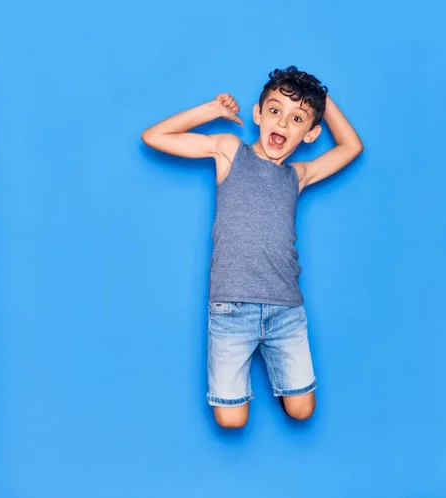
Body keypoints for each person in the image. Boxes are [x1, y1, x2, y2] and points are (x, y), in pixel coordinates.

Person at [141, 66, 363, 428]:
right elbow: (154, 136)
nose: (283, 124)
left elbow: (352, 146)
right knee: (231, 421)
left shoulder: (299, 175)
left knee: (302, 410)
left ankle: (280, 377)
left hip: (286, 311)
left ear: (311, 134)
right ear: (257, 114)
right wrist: (211, 111)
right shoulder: (230, 152)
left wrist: (321, 98)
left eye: (297, 119)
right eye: (275, 111)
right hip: (231, 308)